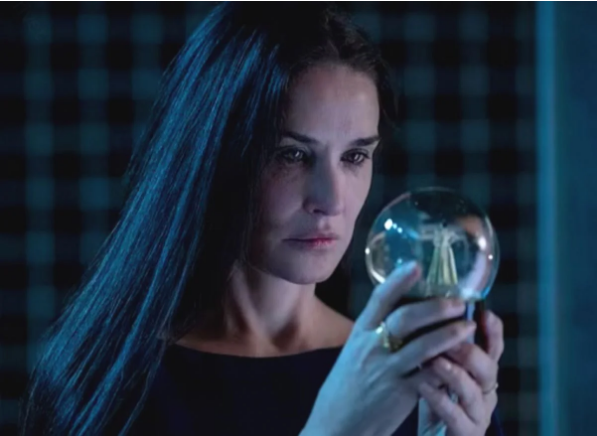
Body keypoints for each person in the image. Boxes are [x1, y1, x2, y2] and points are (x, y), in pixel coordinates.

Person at [18, 3, 504, 436]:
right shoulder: (111, 384)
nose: (331, 200)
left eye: (355, 157)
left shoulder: (411, 374)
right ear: (217, 155)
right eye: (292, 155)